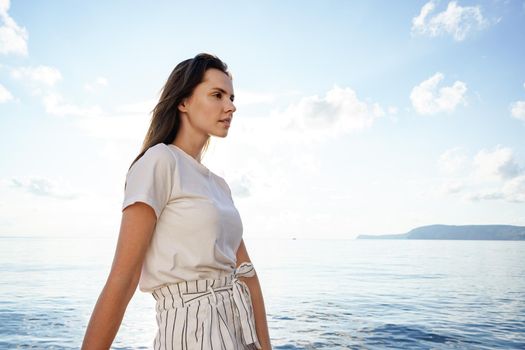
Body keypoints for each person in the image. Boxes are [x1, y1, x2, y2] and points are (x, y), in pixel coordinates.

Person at [82, 53, 272, 350]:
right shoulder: (159, 162)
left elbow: (246, 273)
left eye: (232, 97)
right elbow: (124, 276)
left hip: (238, 332)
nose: (231, 106)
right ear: (183, 102)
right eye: (217, 95)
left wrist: (264, 346)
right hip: (190, 335)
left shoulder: (219, 185)